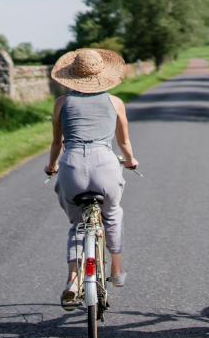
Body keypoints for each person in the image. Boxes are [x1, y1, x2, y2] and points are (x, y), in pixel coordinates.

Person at [45, 48, 139, 309]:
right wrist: (131, 160)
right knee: (112, 214)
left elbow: (56, 143)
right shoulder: (115, 102)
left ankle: (73, 280)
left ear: (73, 76)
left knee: (77, 224)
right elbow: (124, 142)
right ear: (102, 74)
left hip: (72, 165)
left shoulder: (62, 103)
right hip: (105, 165)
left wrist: (51, 166)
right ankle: (117, 270)